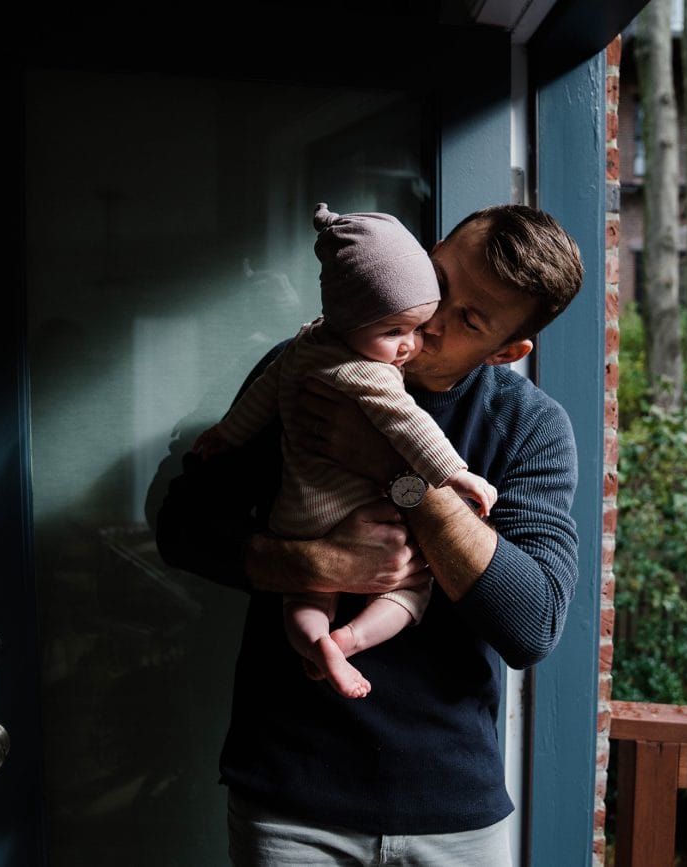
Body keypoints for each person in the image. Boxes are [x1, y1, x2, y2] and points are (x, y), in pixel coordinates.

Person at [156, 202, 584, 866]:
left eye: (468, 319)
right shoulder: (307, 366)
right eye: (438, 280)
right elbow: (181, 527)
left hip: (453, 809)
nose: (429, 320)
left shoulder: (529, 426)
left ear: (508, 350)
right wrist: (315, 563)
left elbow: (531, 622)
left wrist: (396, 470)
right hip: (290, 796)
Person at [193, 203, 497, 700]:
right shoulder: (368, 371)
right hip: (349, 509)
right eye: (395, 332)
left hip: (294, 514)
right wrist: (453, 475)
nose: (413, 344)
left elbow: (263, 396)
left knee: (301, 601)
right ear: (350, 318)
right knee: (409, 588)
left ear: (508, 349)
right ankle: (348, 640)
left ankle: (317, 644)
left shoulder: (303, 345)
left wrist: (227, 433)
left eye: (417, 328)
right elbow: (408, 422)